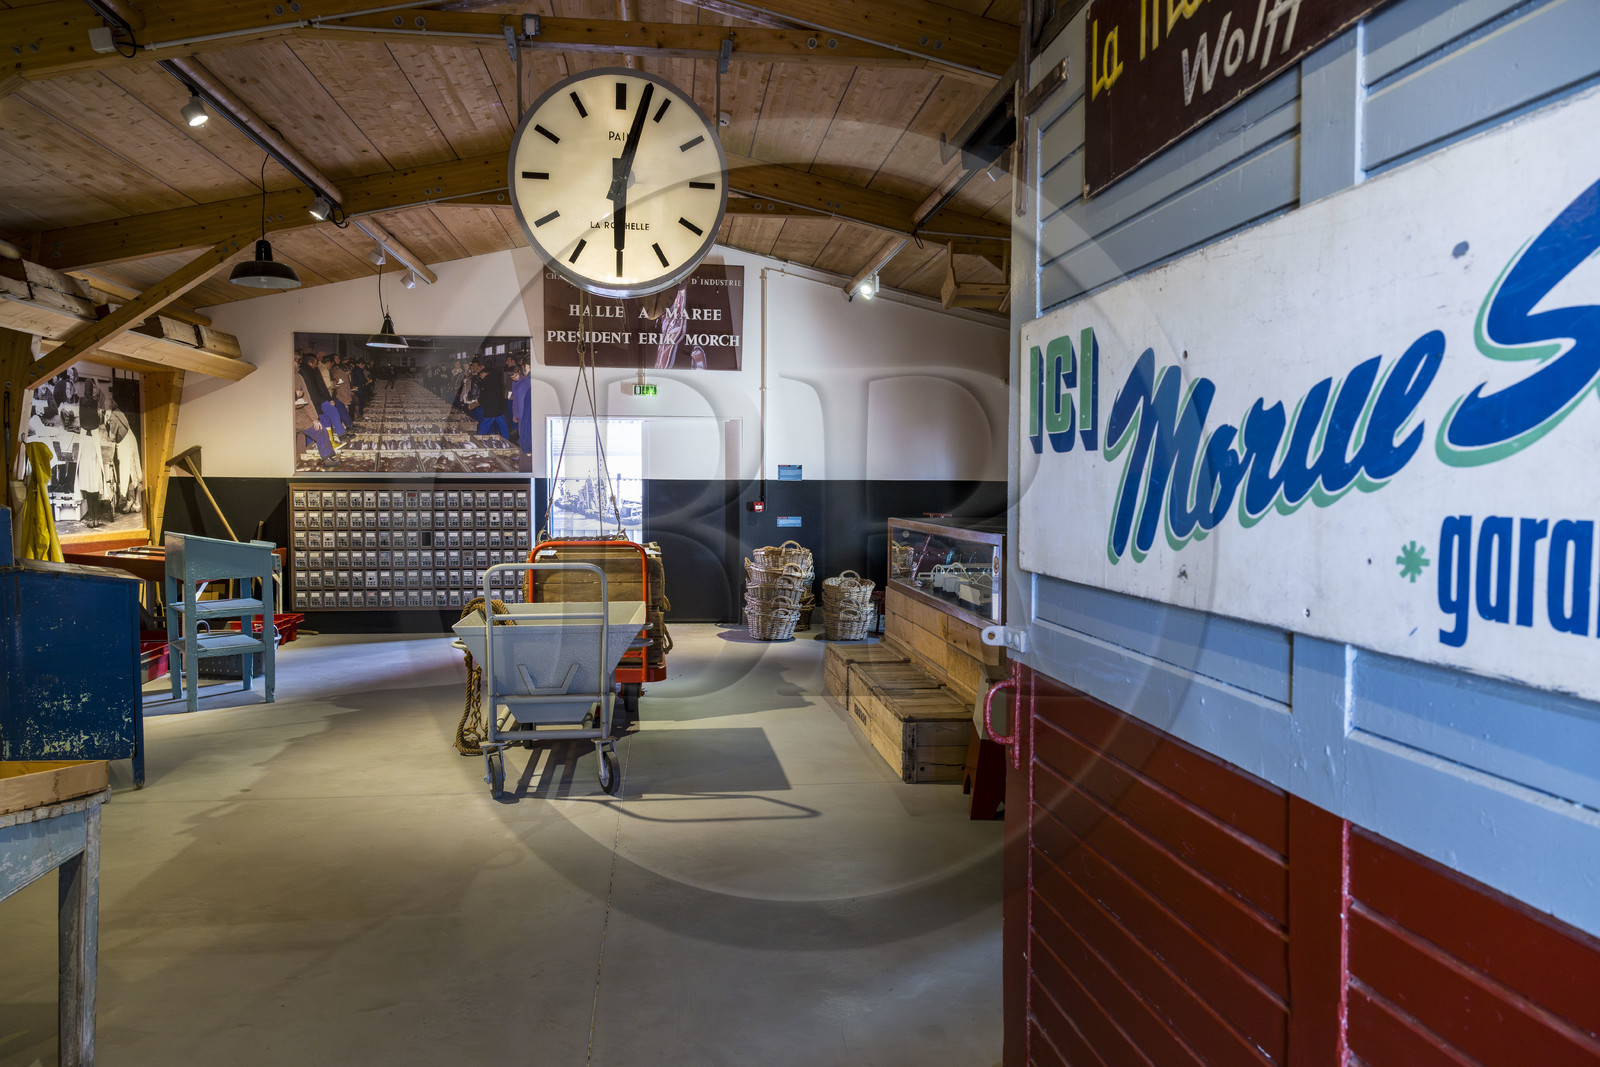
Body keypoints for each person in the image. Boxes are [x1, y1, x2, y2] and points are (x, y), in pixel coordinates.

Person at [299, 352, 344, 438]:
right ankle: (338, 435)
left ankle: (320, 443)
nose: (316, 366)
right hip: (317, 401)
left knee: (317, 424)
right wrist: (328, 399)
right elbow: (321, 386)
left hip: (312, 401)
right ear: (310, 362)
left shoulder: (301, 371)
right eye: (315, 364)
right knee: (327, 417)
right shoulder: (313, 371)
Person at [294, 378, 334, 460]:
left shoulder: (295, 375)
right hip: (297, 417)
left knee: (300, 439)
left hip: (295, 416)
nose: (298, 364)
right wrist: (314, 419)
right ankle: (327, 458)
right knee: (320, 431)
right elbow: (307, 400)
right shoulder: (295, 376)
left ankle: (299, 460)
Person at [476, 358, 508, 439]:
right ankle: (506, 438)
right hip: (498, 405)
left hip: (491, 406)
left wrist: (480, 401)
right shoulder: (495, 374)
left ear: (483, 368)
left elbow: (484, 390)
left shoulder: (488, 377)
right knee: (501, 421)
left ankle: (479, 438)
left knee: (486, 422)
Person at [510, 361, 532, 455]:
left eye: (515, 375)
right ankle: (525, 449)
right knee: (522, 432)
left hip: (526, 412)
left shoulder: (527, 382)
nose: (513, 378)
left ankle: (528, 450)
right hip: (519, 412)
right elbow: (515, 400)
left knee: (526, 432)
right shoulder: (514, 384)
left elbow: (524, 400)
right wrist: (515, 414)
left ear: (519, 372)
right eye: (511, 377)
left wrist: (519, 414)